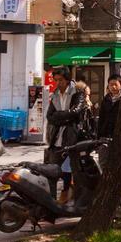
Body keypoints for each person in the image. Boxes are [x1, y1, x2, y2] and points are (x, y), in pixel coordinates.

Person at [45, 68, 87, 201]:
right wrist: (64, 116)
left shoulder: (78, 92)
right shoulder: (55, 94)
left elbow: (76, 112)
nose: (58, 83)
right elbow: (49, 116)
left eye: (61, 80)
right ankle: (51, 200)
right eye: (56, 80)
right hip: (57, 137)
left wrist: (60, 116)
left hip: (73, 136)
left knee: (74, 169)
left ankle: (72, 196)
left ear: (67, 80)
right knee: (52, 171)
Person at [97, 75, 121, 140]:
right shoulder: (106, 99)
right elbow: (101, 117)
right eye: (111, 84)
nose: (113, 87)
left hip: (120, 133)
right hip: (106, 133)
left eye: (116, 84)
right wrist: (99, 134)